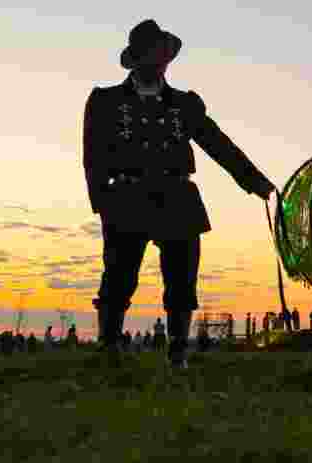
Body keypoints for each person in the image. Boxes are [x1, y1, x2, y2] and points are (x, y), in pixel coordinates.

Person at [83, 20, 275, 370]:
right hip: (127, 195)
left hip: (177, 194)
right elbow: (92, 155)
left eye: (164, 55)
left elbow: (217, 144)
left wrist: (255, 181)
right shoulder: (105, 100)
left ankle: (177, 353)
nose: (160, 62)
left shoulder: (185, 103)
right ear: (137, 58)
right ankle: (109, 346)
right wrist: (103, 203)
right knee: (119, 275)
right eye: (153, 54)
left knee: (182, 276)